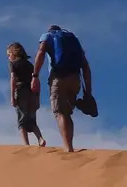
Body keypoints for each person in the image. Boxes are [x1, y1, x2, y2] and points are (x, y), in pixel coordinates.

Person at [31, 25, 92, 153]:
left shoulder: (47, 36)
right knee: (67, 112)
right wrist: (88, 92)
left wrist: (35, 75)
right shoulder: (73, 40)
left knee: (60, 112)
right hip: (75, 79)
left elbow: (41, 52)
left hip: (58, 77)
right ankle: (69, 145)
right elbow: (85, 67)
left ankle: (68, 148)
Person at [7, 43, 46, 147]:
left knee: (22, 120)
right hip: (32, 93)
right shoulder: (30, 65)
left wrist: (12, 96)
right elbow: (37, 81)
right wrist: (37, 97)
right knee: (32, 119)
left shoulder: (13, 64)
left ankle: (26, 145)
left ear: (13, 53)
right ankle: (40, 138)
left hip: (21, 91)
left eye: (9, 54)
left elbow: (13, 79)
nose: (8, 57)